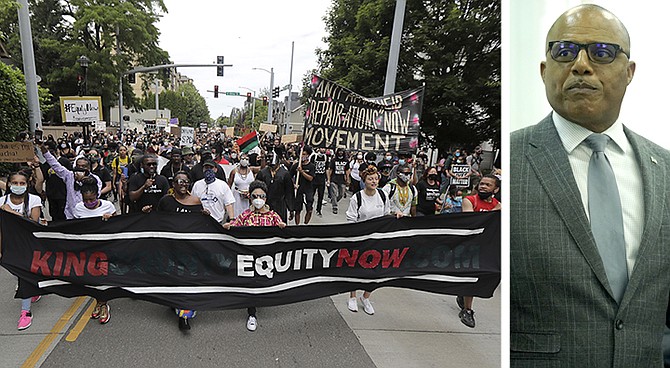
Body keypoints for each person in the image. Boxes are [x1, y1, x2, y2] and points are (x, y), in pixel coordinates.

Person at [510, 5, 670, 366]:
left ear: (629, 72)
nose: (581, 65)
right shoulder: (514, 159)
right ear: (543, 69)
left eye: (602, 52)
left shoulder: (665, 172)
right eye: (564, 51)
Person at [223, 180, 286, 331]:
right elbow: (234, 226)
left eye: (262, 196)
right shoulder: (245, 216)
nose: (258, 199)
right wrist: (227, 227)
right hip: (250, 258)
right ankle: (252, 313)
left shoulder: (273, 216)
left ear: (266, 198)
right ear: (250, 197)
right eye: (255, 196)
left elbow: (284, 235)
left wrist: (283, 229)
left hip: (267, 258)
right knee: (252, 285)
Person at [157, 172, 209, 331]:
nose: (183, 184)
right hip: (171, 248)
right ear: (173, 184)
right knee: (174, 280)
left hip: (190, 250)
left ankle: (185, 315)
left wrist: (206, 216)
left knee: (188, 280)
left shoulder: (195, 201)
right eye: (180, 181)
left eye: (186, 182)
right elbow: (158, 221)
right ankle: (174, 303)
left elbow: (201, 225)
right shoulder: (166, 201)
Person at [345, 166, 391, 315]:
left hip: (377, 240)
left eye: (376, 178)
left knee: (375, 271)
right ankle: (352, 297)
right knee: (355, 268)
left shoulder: (383, 196)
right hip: (360, 239)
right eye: (370, 179)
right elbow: (351, 219)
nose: (374, 181)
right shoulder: (357, 198)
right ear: (364, 180)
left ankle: (366, 297)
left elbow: (386, 216)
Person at [1, 171, 43, 330]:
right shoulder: (1, 201)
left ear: (27, 184)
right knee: (17, 274)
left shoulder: (34, 200)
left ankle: (25, 312)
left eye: (22, 183)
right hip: (10, 246)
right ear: (9, 184)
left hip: (28, 245)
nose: (18, 186)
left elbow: (33, 223)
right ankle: (34, 288)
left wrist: (10, 212)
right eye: (14, 183)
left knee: (22, 277)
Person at [457, 175, 500, 328]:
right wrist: (496, 212)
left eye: (488, 185)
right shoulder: (470, 200)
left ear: (495, 189)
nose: (483, 186)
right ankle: (467, 310)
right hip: (471, 246)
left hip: (488, 247)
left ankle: (463, 295)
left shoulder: (498, 205)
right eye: (481, 184)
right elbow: (472, 221)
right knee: (472, 276)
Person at [71, 176, 116, 325]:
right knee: (92, 279)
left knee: (103, 277)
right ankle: (98, 301)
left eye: (92, 200)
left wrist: (110, 219)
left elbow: (119, 225)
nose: (89, 203)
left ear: (98, 195)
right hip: (87, 249)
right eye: (86, 200)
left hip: (105, 248)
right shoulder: (78, 208)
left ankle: (104, 304)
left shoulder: (108, 206)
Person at [255, 147, 295, 223]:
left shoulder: (285, 174)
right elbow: (256, 189)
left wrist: (291, 208)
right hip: (265, 205)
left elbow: (289, 192)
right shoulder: (262, 173)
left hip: (280, 206)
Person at [289, 146, 316, 225]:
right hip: (299, 190)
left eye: (304, 154)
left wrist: (302, 172)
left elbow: (310, 178)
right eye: (301, 154)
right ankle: (297, 225)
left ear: (308, 155)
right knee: (297, 210)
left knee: (309, 209)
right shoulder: (296, 166)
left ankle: (306, 224)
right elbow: (289, 177)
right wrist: (293, 184)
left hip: (308, 190)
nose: (302, 156)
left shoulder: (312, 166)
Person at [227, 152, 256, 219]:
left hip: (248, 197)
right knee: (237, 216)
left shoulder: (251, 170)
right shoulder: (234, 171)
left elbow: (262, 168)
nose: (244, 160)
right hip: (237, 197)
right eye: (243, 158)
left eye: (246, 159)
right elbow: (229, 185)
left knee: (248, 216)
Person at [326, 148, 350, 215]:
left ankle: (334, 200)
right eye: (339, 151)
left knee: (341, 194)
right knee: (333, 192)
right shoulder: (333, 160)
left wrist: (347, 179)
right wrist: (328, 179)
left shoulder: (346, 161)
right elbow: (330, 170)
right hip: (334, 179)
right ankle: (335, 207)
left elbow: (347, 171)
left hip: (342, 180)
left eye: (342, 151)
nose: (340, 152)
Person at [311, 147, 329, 217]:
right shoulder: (314, 156)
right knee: (311, 195)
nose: (323, 150)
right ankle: (310, 207)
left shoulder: (325, 157)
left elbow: (327, 168)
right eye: (322, 148)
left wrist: (328, 179)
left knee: (321, 195)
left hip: (322, 180)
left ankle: (319, 210)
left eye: (324, 148)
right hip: (314, 179)